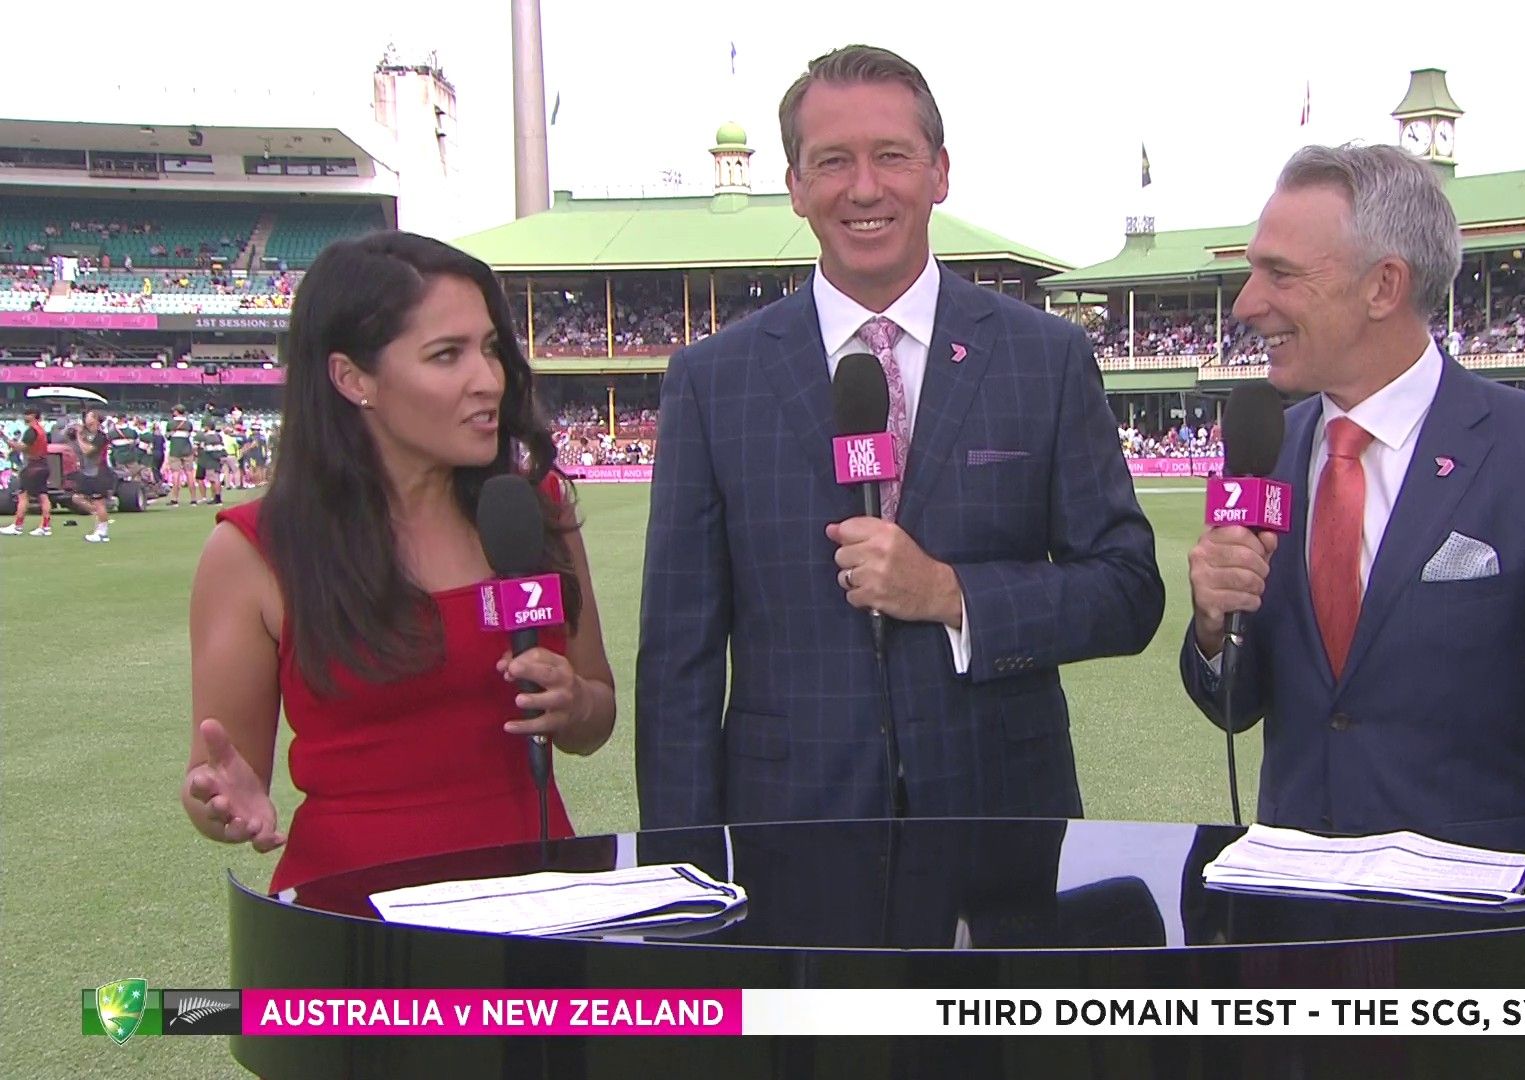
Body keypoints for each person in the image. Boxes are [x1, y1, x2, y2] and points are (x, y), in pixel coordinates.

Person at [637, 45, 1163, 829]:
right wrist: (683, 867)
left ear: (939, 172)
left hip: (1000, 820)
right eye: (832, 161)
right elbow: (677, 663)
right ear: (795, 187)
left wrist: (951, 595)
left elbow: (1128, 593)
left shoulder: (1044, 358)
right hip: (792, 828)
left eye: (892, 155)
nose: (864, 188)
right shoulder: (713, 381)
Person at [1180, 144, 1525, 893]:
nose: (1246, 305)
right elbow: (1240, 702)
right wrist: (1212, 627)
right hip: (1295, 911)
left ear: (1383, 285)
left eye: (1280, 274)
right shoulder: (1267, 452)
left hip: (1482, 930)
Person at [179, 231, 618, 893]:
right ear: (353, 379)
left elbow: (597, 715)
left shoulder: (534, 509)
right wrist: (221, 804)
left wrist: (576, 703)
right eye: (447, 355)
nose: (489, 380)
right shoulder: (252, 551)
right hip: (352, 918)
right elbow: (216, 775)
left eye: (491, 349)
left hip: (533, 902)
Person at [2, 407, 53, 536]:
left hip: (33, 467)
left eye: (27, 414)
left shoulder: (31, 431)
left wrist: (5, 438)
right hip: (43, 465)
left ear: (33, 416)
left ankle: (17, 526)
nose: (24, 417)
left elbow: (22, 448)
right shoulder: (41, 430)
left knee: (23, 495)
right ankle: (45, 526)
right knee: (43, 496)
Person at [65, 410, 114, 542]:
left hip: (99, 472)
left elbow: (87, 451)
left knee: (99, 501)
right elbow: (68, 436)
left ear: (96, 419)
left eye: (89, 416)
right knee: (77, 498)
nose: (85, 418)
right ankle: (100, 519)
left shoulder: (101, 436)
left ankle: (102, 532)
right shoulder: (88, 434)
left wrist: (79, 437)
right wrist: (77, 432)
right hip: (88, 472)